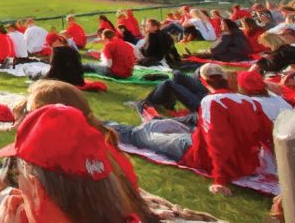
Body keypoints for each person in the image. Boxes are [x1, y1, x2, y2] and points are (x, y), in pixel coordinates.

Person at [0, 103, 157, 223]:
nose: (17, 184)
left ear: (36, 188)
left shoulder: (20, 213)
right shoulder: (123, 210)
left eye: (18, 175)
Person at [108, 63, 276, 195]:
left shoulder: (212, 102)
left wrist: (220, 179)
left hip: (201, 155)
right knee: (162, 126)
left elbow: (217, 141)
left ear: (203, 81)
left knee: (139, 135)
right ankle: (138, 117)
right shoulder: (251, 103)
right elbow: (269, 135)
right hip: (243, 163)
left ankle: (103, 125)